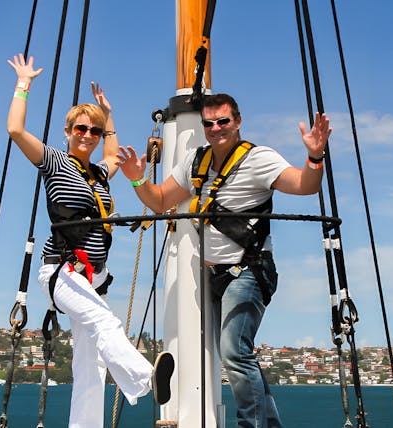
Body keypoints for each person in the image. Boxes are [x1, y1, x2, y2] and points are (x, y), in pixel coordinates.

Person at [117, 93, 331, 427]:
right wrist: (136, 179)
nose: (216, 128)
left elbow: (305, 185)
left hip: (248, 271)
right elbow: (159, 201)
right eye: (209, 123)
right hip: (210, 276)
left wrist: (315, 156)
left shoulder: (259, 159)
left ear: (238, 121)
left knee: (233, 351)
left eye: (223, 121)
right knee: (235, 354)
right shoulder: (195, 162)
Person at [6, 53, 174, 428]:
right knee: (104, 323)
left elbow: (114, 154)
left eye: (94, 132)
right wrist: (24, 83)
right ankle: (145, 378)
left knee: (91, 363)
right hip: (62, 271)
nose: (88, 136)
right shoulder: (54, 162)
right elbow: (16, 131)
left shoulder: (98, 173)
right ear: (68, 132)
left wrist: (107, 114)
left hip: (95, 276)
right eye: (81, 129)